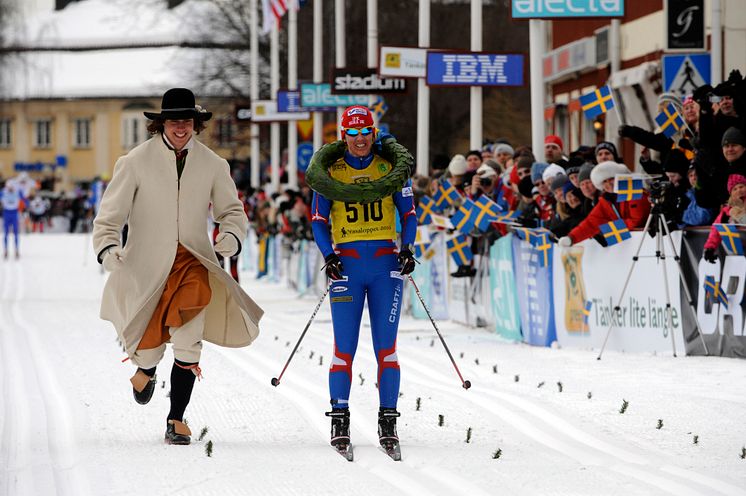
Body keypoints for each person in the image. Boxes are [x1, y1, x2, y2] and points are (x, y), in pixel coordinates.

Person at [92, 88, 263, 445]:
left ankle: (176, 419)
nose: (181, 127)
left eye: (187, 121)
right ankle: (147, 369)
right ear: (161, 124)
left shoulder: (214, 165)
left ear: (196, 124)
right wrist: (108, 248)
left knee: (188, 341)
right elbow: (109, 218)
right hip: (146, 266)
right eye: (174, 121)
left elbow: (232, 212)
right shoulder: (134, 162)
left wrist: (228, 240)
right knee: (148, 345)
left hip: (192, 263)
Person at [308, 105, 416, 456]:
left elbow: (410, 213)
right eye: (352, 134)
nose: (359, 140)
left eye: (365, 132)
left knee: (387, 348)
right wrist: (329, 256)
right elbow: (318, 220)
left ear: (374, 132)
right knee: (344, 349)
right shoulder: (330, 171)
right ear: (343, 136)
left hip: (385, 265)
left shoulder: (390, 167)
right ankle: (339, 417)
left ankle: (389, 421)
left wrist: (408, 248)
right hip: (348, 267)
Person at [2, 180, 24, 259]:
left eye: (12, 186)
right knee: (6, 233)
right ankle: (6, 250)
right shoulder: (3, 192)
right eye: (9, 186)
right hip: (6, 213)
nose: (11, 188)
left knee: (16, 233)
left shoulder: (17, 192)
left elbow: (24, 198)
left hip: (14, 213)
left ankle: (17, 250)